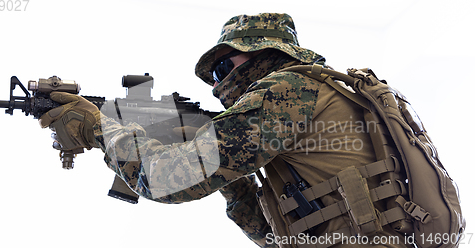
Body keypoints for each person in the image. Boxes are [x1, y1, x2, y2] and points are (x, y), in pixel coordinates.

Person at [39, 13, 411, 247]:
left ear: (264, 51)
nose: (220, 81)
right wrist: (233, 180)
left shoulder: (287, 90)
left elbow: (163, 180)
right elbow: (274, 235)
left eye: (224, 65)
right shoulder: (331, 90)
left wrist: (100, 127)